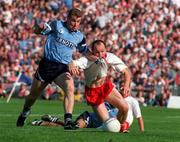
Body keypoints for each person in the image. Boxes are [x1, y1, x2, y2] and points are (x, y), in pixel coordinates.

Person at [16, 8, 96, 130]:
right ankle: (25, 111)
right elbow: (39, 30)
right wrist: (38, 28)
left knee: (70, 87)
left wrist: (98, 58)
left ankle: (68, 120)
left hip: (62, 68)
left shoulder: (80, 36)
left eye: (78, 21)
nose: (75, 24)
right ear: (68, 18)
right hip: (46, 66)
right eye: (73, 21)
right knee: (32, 97)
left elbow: (85, 51)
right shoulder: (56, 25)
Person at [71, 40, 131, 130]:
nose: (100, 54)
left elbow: (127, 71)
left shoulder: (110, 57)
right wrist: (72, 66)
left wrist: (126, 86)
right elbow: (73, 63)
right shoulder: (87, 60)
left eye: (102, 51)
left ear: (106, 49)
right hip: (94, 92)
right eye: (97, 52)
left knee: (125, 108)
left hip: (106, 87)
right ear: (92, 52)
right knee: (109, 124)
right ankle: (109, 127)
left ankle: (121, 128)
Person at [31, 96, 144, 133]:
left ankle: (50, 120)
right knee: (73, 128)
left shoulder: (117, 115)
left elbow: (115, 125)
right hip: (88, 118)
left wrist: (122, 129)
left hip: (93, 124)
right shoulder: (108, 104)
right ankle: (46, 122)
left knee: (71, 127)